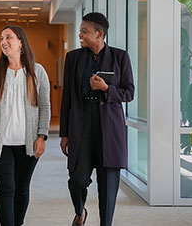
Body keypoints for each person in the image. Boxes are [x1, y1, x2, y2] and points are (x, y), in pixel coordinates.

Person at [60, 12, 134, 226]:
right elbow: (67, 98)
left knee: (108, 185)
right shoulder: (73, 58)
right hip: (81, 125)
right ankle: (80, 210)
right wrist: (64, 133)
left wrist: (106, 89)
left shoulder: (121, 57)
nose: (80, 35)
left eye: (85, 31)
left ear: (99, 34)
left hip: (110, 128)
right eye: (80, 31)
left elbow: (129, 92)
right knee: (77, 179)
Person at [0, 25, 50, 226]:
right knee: (6, 187)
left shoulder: (37, 71)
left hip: (29, 143)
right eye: (1, 38)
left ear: (20, 43)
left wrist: (42, 136)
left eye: (8, 37)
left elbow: (44, 106)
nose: (3, 41)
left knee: (22, 187)